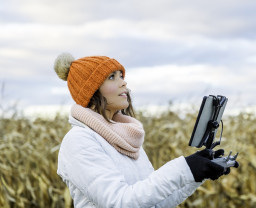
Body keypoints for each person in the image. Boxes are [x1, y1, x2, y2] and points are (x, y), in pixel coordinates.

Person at [54, 53, 238, 208]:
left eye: (121, 76)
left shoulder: (124, 137)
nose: (123, 83)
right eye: (112, 77)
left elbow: (154, 202)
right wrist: (185, 167)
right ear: (90, 91)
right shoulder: (79, 141)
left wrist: (197, 174)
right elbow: (119, 202)